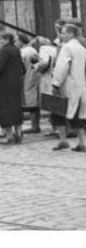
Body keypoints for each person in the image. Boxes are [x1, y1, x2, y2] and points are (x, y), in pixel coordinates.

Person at [50, 23, 86, 152]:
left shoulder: (67, 48)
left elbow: (62, 66)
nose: (62, 35)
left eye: (64, 33)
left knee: (58, 110)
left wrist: (56, 83)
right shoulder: (82, 48)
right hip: (80, 84)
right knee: (79, 113)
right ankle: (82, 142)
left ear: (71, 34)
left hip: (68, 85)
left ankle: (63, 139)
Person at [0, 32, 25, 144]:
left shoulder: (5, 51)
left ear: (6, 39)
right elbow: (23, 68)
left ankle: (9, 135)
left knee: (6, 109)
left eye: (1, 39)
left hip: (5, 84)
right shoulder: (16, 50)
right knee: (16, 107)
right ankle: (19, 133)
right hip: (16, 83)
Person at [34, 36, 58, 137]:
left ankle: (55, 128)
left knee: (51, 105)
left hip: (47, 78)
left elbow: (44, 62)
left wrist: (35, 68)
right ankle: (57, 127)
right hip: (54, 77)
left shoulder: (43, 49)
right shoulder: (54, 49)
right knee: (56, 104)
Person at [18, 35, 41, 134]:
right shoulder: (33, 50)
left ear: (21, 41)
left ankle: (34, 126)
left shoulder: (23, 52)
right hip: (35, 78)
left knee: (31, 104)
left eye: (17, 41)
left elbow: (21, 67)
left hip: (27, 78)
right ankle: (36, 125)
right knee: (35, 103)